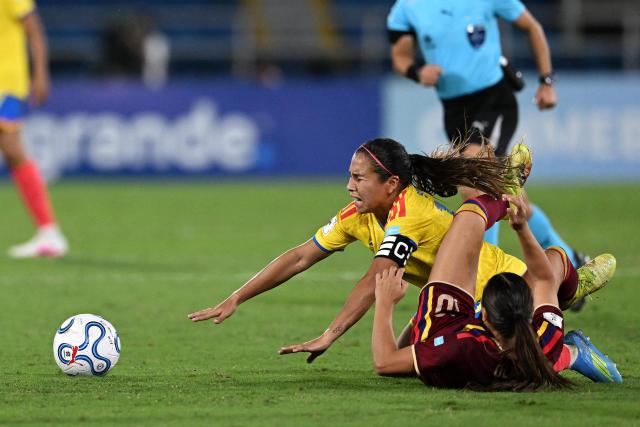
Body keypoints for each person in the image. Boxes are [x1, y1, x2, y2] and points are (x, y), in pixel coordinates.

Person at [189, 139, 599, 363]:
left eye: (358, 177)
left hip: (493, 291)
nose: (349, 186)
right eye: (348, 176)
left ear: (390, 184)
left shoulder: (410, 214)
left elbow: (375, 279)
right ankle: (569, 290)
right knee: (404, 358)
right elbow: (299, 257)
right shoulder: (357, 214)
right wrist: (237, 297)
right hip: (453, 299)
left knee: (508, 362)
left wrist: (329, 335)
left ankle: (571, 339)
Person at [370, 155, 621, 389]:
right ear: (528, 313)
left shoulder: (461, 348)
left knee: (469, 217)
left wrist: (385, 302)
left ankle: (503, 197)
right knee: (556, 259)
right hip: (528, 352)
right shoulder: (543, 337)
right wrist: (522, 228)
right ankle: (572, 309)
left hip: (445, 327)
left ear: (483, 313)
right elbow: (544, 276)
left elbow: (385, 363)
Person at [386, 0, 586, 277]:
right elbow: (400, 56)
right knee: (508, 196)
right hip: (454, 111)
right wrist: (416, 72)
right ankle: (571, 262)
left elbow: (532, 27)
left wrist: (546, 82)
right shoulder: (406, 8)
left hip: (494, 99)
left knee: (476, 188)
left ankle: (486, 278)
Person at [0, 0, 68, 258]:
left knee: (12, 146)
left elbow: (34, 29)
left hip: (6, 83)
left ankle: (49, 232)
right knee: (12, 150)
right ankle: (49, 232)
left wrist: (40, 73)